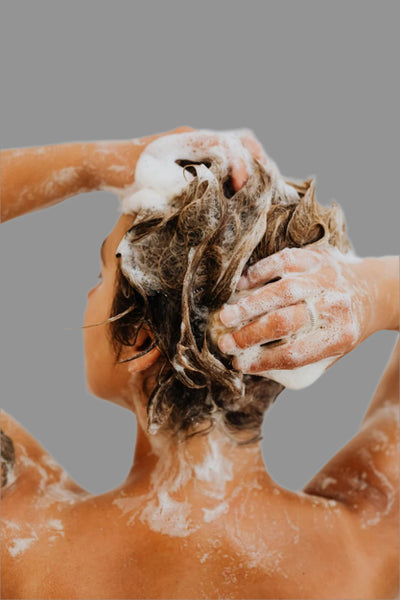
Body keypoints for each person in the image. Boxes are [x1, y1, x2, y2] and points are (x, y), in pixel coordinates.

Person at [1, 127, 398, 600]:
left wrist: (97, 161)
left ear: (140, 337)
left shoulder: (28, 535)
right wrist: (373, 291)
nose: (89, 294)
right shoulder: (368, 535)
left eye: (102, 271)